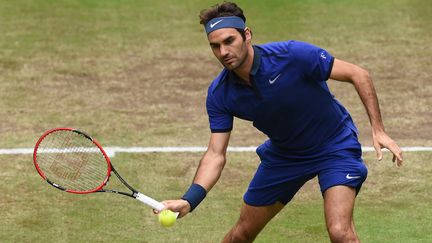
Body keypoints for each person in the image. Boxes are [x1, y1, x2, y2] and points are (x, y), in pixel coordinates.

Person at [160, 2, 403, 242]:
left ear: (246, 35)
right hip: (285, 156)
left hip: (334, 146)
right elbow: (215, 154)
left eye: (229, 41)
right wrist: (189, 199)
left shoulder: (292, 55)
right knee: (241, 234)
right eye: (215, 46)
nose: (223, 52)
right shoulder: (220, 94)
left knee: (340, 232)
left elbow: (357, 74)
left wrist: (378, 129)